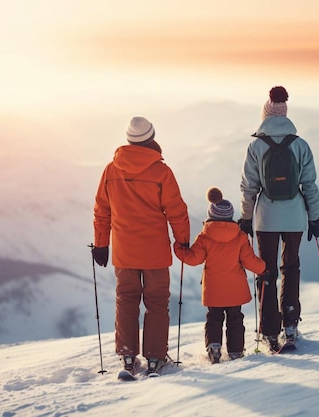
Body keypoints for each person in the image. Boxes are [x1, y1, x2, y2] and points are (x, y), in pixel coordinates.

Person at [92, 116, 190, 375]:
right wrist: (183, 241)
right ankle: (155, 358)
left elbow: (102, 211)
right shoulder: (161, 172)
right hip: (155, 252)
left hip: (124, 252)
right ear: (152, 137)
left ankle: (127, 356)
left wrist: (101, 244)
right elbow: (177, 211)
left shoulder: (110, 171)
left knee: (126, 300)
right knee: (157, 303)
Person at [238, 86, 319, 353]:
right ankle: (290, 324)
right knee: (291, 268)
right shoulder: (300, 145)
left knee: (267, 272)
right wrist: (314, 218)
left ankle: (269, 331)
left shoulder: (255, 146)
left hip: (266, 218)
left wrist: (245, 218)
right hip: (296, 216)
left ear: (264, 116)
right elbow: (310, 185)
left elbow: (248, 187)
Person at [174, 187, 266, 363]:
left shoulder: (205, 237)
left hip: (214, 289)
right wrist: (263, 269)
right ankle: (236, 351)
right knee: (235, 319)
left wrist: (179, 249)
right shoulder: (240, 237)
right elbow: (249, 261)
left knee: (214, 318)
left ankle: (214, 347)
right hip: (235, 289)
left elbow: (194, 259)